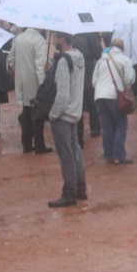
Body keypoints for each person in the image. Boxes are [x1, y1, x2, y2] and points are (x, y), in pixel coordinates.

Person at [47, 31, 88, 208]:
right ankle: (80, 188)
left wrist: (53, 114)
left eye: (55, 37)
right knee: (75, 150)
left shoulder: (64, 61)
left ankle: (69, 193)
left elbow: (62, 95)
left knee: (67, 156)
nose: (54, 40)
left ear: (62, 39)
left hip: (63, 115)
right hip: (74, 112)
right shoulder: (79, 57)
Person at [93, 39, 136, 165]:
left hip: (100, 96)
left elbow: (94, 81)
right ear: (122, 48)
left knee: (107, 126)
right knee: (121, 124)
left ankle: (108, 154)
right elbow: (130, 79)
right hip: (115, 96)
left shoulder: (101, 60)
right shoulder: (124, 59)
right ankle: (118, 155)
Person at [9, 26, 51, 154]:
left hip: (22, 81)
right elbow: (40, 67)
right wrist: (43, 85)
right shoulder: (39, 41)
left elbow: (11, 59)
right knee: (38, 115)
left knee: (26, 112)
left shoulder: (19, 38)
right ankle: (39, 145)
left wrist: (19, 70)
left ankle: (26, 144)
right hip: (35, 82)